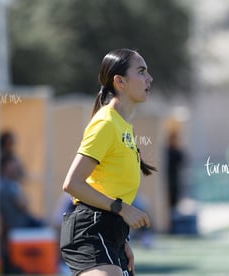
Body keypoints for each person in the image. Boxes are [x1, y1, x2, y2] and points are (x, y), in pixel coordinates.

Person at [60, 48, 156, 276]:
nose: (149, 79)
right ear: (119, 81)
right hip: (89, 231)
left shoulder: (124, 126)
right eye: (141, 72)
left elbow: (107, 185)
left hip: (111, 234)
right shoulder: (105, 123)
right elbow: (72, 184)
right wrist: (123, 209)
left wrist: (122, 240)